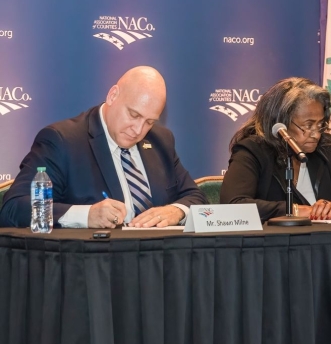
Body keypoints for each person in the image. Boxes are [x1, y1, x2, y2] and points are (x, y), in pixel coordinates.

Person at [0, 66, 207, 228]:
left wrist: (176, 211)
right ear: (113, 95)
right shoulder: (61, 141)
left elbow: (197, 198)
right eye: (134, 115)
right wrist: (86, 215)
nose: (138, 129)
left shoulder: (161, 141)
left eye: (149, 122)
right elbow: (13, 208)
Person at [220, 77, 331, 222]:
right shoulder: (253, 150)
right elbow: (233, 205)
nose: (316, 134)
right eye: (308, 125)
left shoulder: (326, 147)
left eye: (320, 124)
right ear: (280, 123)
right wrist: (294, 210)